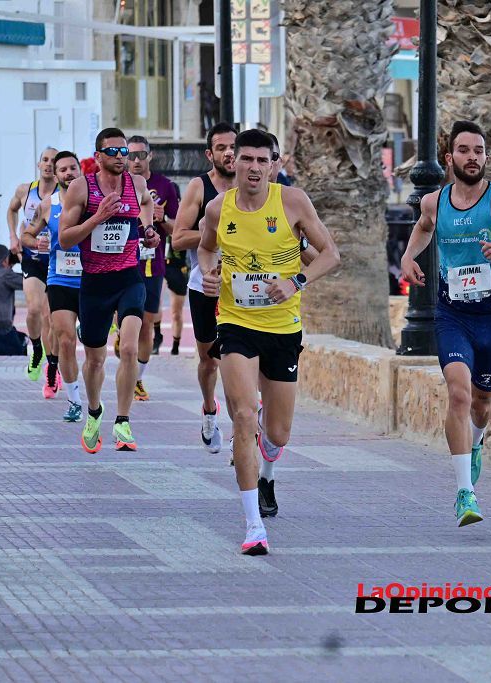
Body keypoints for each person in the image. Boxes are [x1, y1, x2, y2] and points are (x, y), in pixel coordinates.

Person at [198, 128, 340, 555]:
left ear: (275, 164)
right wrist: (208, 274)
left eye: (264, 160)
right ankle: (253, 525)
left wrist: (295, 281)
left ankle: (266, 466)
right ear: (232, 162)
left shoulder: (292, 202)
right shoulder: (217, 208)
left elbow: (331, 255)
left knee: (277, 433)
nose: (255, 168)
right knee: (243, 415)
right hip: (236, 323)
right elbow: (205, 249)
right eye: (247, 159)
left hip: (282, 328)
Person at [400, 120, 491, 527]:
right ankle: (465, 492)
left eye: (479, 151)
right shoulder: (435, 202)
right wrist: (410, 257)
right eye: (464, 150)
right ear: (450, 158)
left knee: (482, 401)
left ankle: (475, 445)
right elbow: (423, 228)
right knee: (459, 395)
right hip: (452, 316)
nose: (473, 157)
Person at [59, 128, 159, 453]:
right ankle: (93, 411)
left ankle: (123, 421)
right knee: (95, 360)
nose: (121, 157)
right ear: (98, 156)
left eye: (124, 151)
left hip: (129, 277)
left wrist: (147, 231)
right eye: (113, 152)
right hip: (94, 284)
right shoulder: (80, 188)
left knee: (129, 348)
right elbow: (65, 239)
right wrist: (98, 217)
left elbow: (144, 206)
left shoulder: (137, 184)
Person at [172, 122, 237, 454]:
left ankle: (243, 425)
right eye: (222, 148)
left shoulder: (253, 186)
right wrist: (215, 234)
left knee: (237, 359)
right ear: (209, 154)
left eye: (233, 147)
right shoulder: (199, 187)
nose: (229, 153)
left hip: (241, 288)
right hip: (204, 286)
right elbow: (179, 237)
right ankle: (210, 409)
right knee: (210, 361)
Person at [21, 151, 85, 422]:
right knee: (65, 339)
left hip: (92, 279)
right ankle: (74, 400)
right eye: (63, 170)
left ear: (80, 171)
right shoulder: (47, 205)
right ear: (56, 175)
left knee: (95, 347)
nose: (69, 173)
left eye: (73, 168)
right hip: (59, 278)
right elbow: (26, 234)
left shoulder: (93, 200)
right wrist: (37, 243)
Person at [124, 135, 179, 401]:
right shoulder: (117, 184)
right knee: (123, 320)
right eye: (130, 155)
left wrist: (162, 218)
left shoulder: (165, 187)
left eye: (140, 155)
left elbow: (178, 229)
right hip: (120, 262)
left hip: (151, 264)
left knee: (146, 323)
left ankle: (137, 378)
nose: (135, 161)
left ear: (150, 156)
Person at [7, 147, 59, 391]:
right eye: (45, 160)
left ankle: (52, 366)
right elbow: (11, 209)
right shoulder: (25, 190)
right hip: (32, 257)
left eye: (53, 161)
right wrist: (13, 237)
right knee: (34, 310)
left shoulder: (64, 194)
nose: (49, 165)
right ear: (39, 164)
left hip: (57, 261)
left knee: (51, 318)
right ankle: (36, 348)